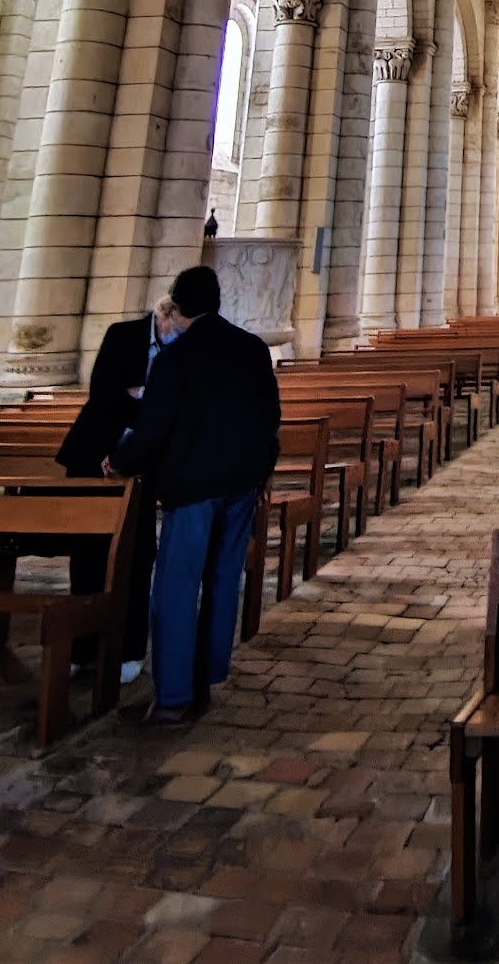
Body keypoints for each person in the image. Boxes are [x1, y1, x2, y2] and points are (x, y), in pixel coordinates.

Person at [110, 265, 280, 726]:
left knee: (177, 585)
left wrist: (121, 462)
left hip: (193, 484)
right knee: (224, 578)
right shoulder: (252, 348)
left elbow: (154, 427)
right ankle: (208, 674)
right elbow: (270, 416)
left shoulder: (176, 357)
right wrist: (264, 469)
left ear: (179, 305)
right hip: (242, 480)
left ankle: (173, 696)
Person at [56, 296, 179, 683]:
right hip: (92, 457)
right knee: (87, 553)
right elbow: (103, 394)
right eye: (178, 322)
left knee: (138, 555)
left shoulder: (184, 348)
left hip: (143, 466)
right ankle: (83, 649)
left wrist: (140, 402)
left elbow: (175, 409)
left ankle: (128, 650)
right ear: (165, 315)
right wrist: (147, 409)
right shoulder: (123, 335)